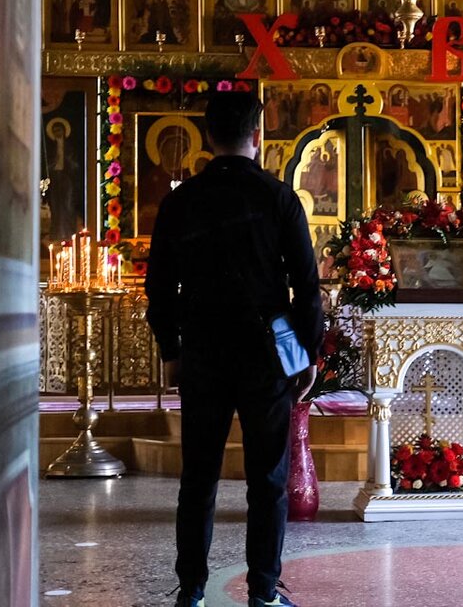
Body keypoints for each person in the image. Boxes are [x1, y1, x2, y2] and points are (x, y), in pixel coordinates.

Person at [146, 91, 324, 607]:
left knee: (197, 475)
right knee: (267, 477)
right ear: (259, 135)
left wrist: (170, 349)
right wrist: (308, 352)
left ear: (207, 136)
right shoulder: (279, 198)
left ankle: (192, 591)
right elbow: (306, 288)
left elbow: (160, 287)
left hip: (202, 351)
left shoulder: (181, 200)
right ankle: (263, 591)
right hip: (265, 355)